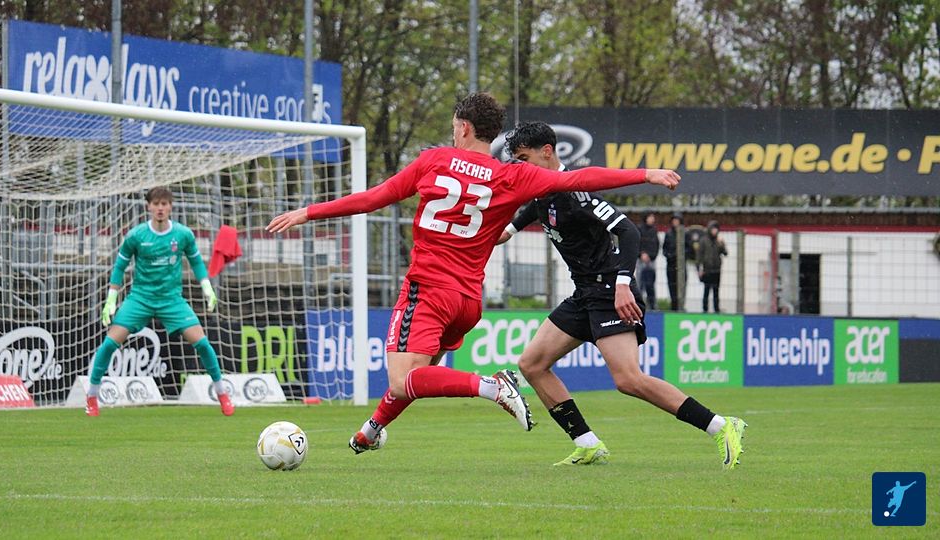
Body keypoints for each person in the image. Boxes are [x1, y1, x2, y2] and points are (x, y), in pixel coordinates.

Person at [266, 92, 681, 454]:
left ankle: (491, 386)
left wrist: (309, 212)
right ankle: (370, 431)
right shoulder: (511, 175)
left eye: (454, 127)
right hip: (466, 302)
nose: (452, 134)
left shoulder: (434, 161)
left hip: (428, 289)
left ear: (463, 127)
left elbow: (375, 198)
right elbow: (579, 178)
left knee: (403, 378)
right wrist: (644, 174)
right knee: (419, 376)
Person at [497, 122, 747, 468]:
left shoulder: (578, 194)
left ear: (547, 152)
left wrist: (623, 284)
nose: (520, 166)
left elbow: (628, 231)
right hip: (584, 294)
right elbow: (524, 217)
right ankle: (587, 444)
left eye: (524, 158)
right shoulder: (542, 192)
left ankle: (721, 425)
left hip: (608, 291)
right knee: (532, 365)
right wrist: (498, 231)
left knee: (628, 380)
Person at [86, 187, 233, 417]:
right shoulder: (136, 235)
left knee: (203, 343)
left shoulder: (183, 234)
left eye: (164, 204)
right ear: (149, 207)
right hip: (140, 298)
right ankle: (92, 397)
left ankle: (222, 393)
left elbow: (196, 262)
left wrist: (207, 287)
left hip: (171, 299)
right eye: (156, 204)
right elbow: (120, 267)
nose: (160, 208)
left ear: (171, 206)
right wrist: (111, 299)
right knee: (109, 344)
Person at [697, 220, 727, 313]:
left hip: (716, 270)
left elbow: (725, 253)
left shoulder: (718, 241)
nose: (715, 231)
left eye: (716, 229)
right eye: (713, 229)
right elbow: (699, 256)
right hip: (707, 270)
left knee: (716, 291)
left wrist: (722, 244)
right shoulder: (703, 240)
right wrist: (699, 269)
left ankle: (716, 309)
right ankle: (705, 309)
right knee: (706, 290)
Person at [662, 213, 685, 311]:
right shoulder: (668, 234)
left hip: (681, 267)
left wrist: (681, 255)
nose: (675, 222)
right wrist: (671, 255)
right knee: (671, 286)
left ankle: (681, 306)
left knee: (682, 287)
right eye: (674, 220)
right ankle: (673, 307)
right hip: (671, 265)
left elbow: (689, 249)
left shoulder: (685, 234)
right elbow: (664, 249)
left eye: (677, 220)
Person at [637, 212, 659, 310]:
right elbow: (637, 243)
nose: (652, 219)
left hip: (651, 261)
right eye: (650, 217)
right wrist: (641, 254)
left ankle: (652, 305)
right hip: (641, 260)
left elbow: (657, 245)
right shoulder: (639, 229)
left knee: (651, 284)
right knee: (640, 283)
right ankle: (638, 304)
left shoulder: (654, 231)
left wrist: (652, 256)